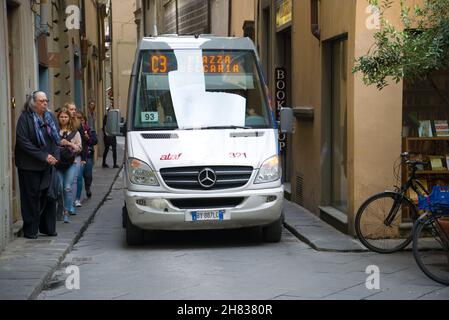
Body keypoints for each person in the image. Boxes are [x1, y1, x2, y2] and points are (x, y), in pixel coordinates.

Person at [15, 91, 61, 239]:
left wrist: (55, 157)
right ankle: (31, 230)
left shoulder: (50, 117)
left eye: (46, 100)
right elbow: (23, 142)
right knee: (31, 197)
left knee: (49, 196)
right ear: (33, 103)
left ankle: (48, 228)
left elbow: (56, 139)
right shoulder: (25, 118)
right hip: (29, 165)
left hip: (48, 164)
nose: (45, 103)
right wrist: (44, 156)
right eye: (41, 101)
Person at [56, 107, 82, 223]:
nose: (63, 119)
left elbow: (79, 148)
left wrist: (69, 144)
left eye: (65, 117)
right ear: (58, 118)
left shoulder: (75, 133)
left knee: (67, 188)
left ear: (69, 118)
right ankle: (60, 209)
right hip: (57, 164)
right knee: (59, 188)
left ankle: (66, 212)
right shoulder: (54, 131)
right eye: (61, 117)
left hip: (71, 164)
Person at [75, 112, 97, 203]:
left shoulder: (89, 129)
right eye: (77, 118)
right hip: (77, 156)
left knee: (88, 175)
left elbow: (95, 141)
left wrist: (88, 138)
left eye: (81, 118)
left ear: (84, 120)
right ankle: (76, 197)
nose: (80, 120)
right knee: (77, 177)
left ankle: (87, 187)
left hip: (87, 155)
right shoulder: (73, 129)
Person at [66, 102, 84, 213]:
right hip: (64, 156)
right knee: (65, 182)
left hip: (76, 155)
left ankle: (71, 204)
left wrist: (83, 158)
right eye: (71, 109)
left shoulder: (78, 124)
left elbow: (83, 142)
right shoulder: (61, 121)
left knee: (75, 180)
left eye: (74, 109)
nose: (73, 111)